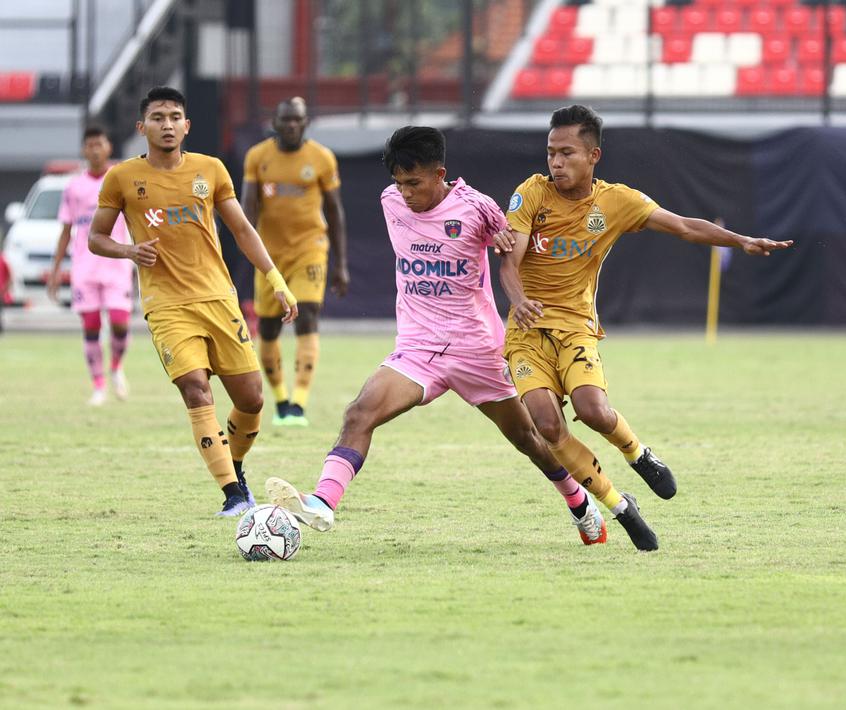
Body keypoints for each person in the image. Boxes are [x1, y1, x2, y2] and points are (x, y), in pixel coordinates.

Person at [263, 126, 659, 550]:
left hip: (478, 351)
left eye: (414, 183)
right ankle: (323, 502)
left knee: (533, 439)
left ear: (440, 174)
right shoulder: (389, 201)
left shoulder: (478, 208)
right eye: (399, 182)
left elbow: (512, 250)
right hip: (417, 349)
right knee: (360, 413)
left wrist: (509, 248)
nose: (405, 192)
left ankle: (581, 504)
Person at [499, 104, 792, 530]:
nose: (556, 162)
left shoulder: (617, 201)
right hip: (526, 332)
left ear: (593, 156)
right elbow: (509, 263)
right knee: (547, 425)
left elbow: (685, 227)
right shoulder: (531, 194)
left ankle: (639, 454)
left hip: (576, 327)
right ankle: (620, 507)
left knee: (594, 411)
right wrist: (519, 299)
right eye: (550, 153)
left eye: (567, 153)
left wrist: (740, 240)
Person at [89, 86, 299, 516]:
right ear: (141, 126)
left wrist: (275, 278)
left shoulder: (212, 170)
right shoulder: (122, 178)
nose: (166, 125)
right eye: (158, 117)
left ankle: (233, 464)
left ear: (186, 126)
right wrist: (129, 251)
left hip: (218, 299)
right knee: (196, 390)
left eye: (174, 117)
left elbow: (241, 229)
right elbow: (95, 237)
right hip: (166, 305)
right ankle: (233, 496)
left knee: (252, 399)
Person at [241, 97, 349, 427]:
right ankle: (281, 400)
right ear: (275, 122)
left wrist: (340, 264)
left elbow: (334, 211)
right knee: (270, 327)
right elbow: (247, 211)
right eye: (285, 120)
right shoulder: (257, 157)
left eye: (297, 120)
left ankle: (299, 402)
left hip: (310, 248)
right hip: (270, 255)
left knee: (307, 313)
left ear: (305, 123)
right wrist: (249, 252)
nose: (291, 125)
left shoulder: (321, 158)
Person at [49, 126, 135, 406]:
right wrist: (55, 270)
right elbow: (66, 230)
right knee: (91, 326)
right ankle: (98, 386)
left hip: (116, 264)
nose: (95, 150)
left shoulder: (120, 179)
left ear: (108, 147)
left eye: (100, 144)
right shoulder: (74, 187)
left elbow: (136, 220)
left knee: (121, 324)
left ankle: (116, 367)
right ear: (84, 150)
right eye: (90, 145)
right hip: (85, 268)